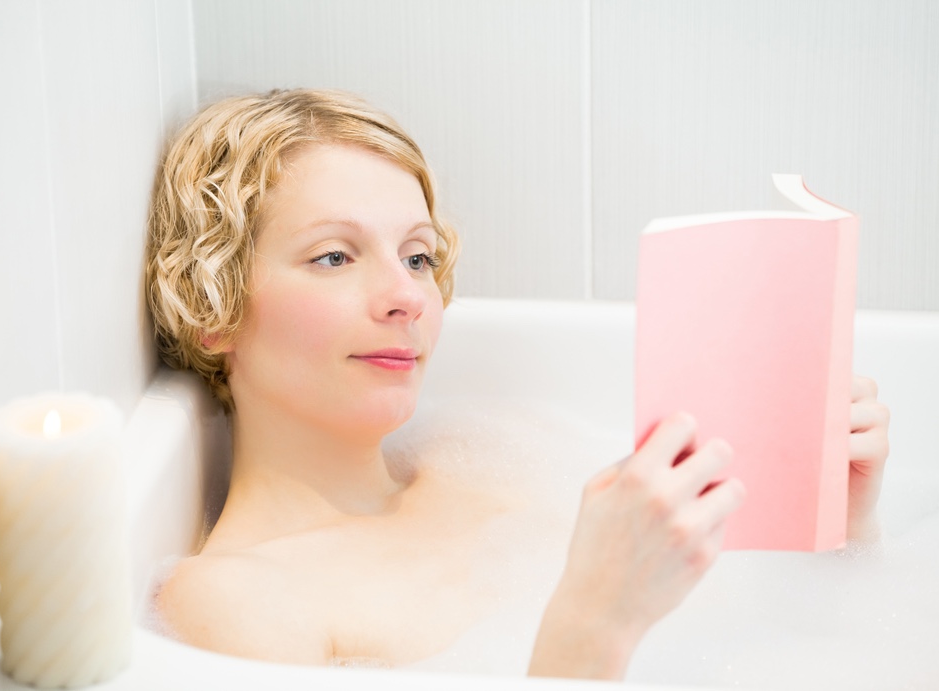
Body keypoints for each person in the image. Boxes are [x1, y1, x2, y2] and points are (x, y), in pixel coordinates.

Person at [144, 88, 890, 679]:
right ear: (214, 307)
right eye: (335, 256)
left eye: (418, 257)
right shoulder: (233, 601)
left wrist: (838, 529)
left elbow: (803, 642)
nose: (405, 295)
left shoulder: (482, 470)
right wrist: (592, 624)